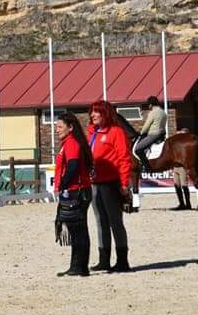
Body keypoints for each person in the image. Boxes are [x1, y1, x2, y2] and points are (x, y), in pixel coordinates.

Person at [87, 100, 133, 272]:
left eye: (96, 112)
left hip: (111, 183)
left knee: (115, 222)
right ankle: (104, 259)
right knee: (100, 221)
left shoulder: (116, 132)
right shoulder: (91, 133)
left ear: (105, 113)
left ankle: (122, 261)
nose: (92, 115)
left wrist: (124, 183)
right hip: (94, 183)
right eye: (91, 112)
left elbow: (123, 159)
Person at [53, 112, 93, 277]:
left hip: (78, 191)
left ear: (70, 128)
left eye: (60, 126)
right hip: (78, 190)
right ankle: (76, 265)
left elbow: (73, 166)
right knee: (77, 229)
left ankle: (81, 266)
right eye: (56, 127)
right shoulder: (68, 143)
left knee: (79, 229)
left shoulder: (71, 144)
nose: (57, 130)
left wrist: (62, 184)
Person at [134, 95, 167, 172]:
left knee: (138, 149)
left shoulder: (153, 113)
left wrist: (142, 133)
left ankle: (147, 168)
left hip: (153, 135)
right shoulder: (163, 112)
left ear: (151, 104)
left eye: (148, 104)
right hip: (162, 134)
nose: (148, 106)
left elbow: (147, 125)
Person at [171, 128, 192, 211]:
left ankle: (188, 203)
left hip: (182, 167)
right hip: (175, 167)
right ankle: (181, 203)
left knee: (184, 185)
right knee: (177, 186)